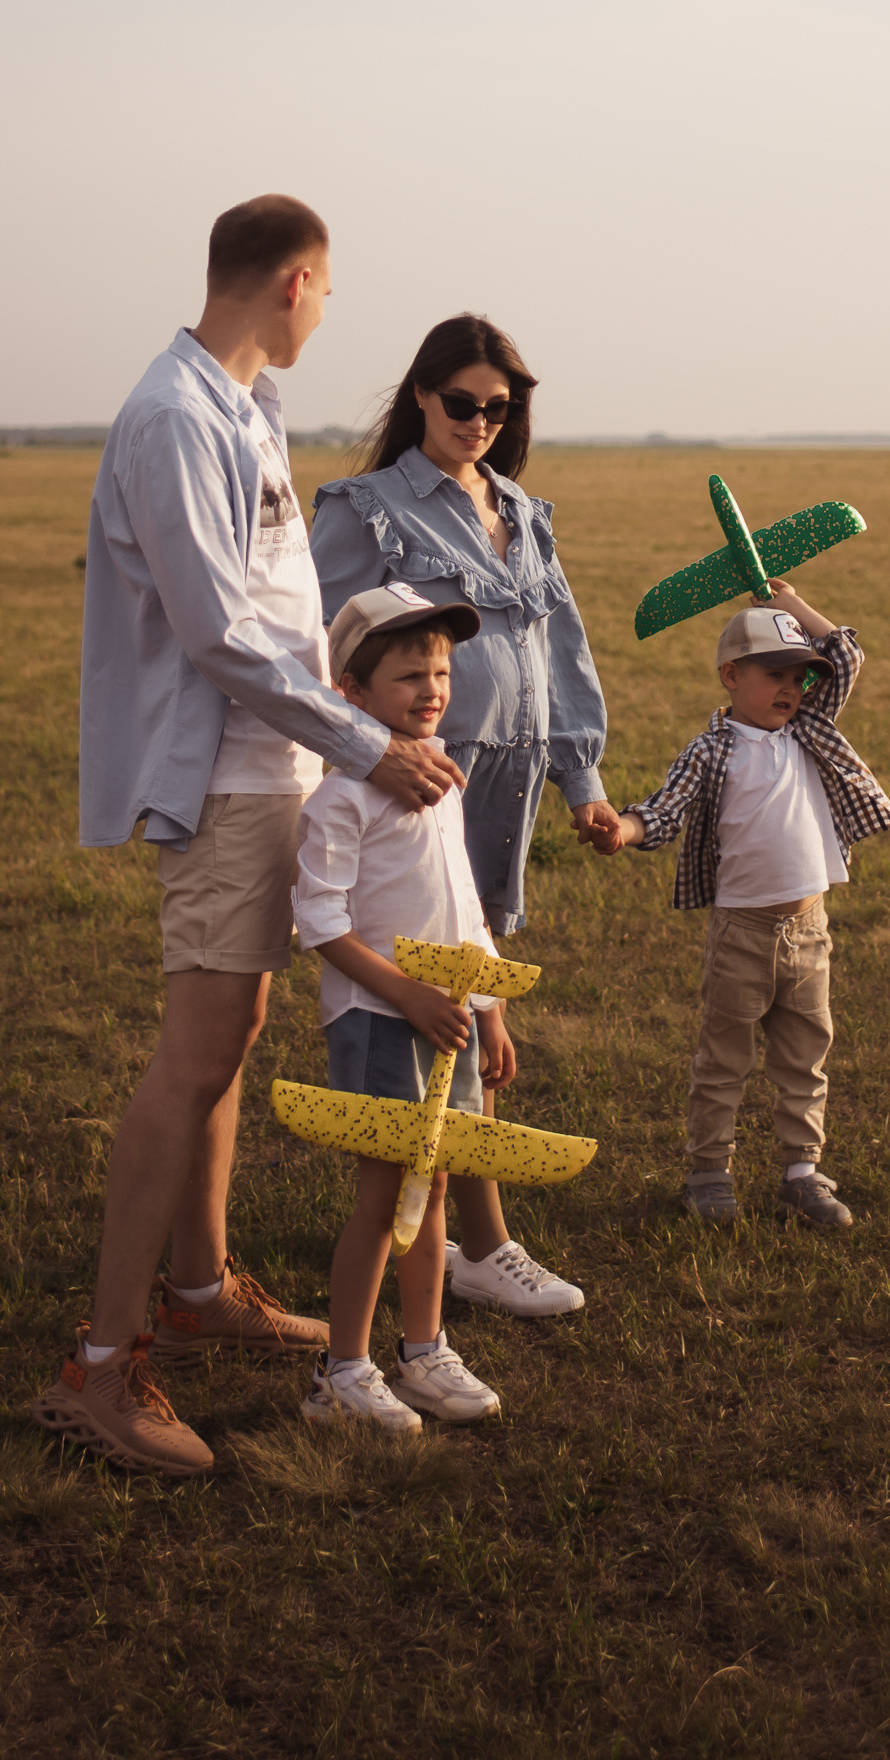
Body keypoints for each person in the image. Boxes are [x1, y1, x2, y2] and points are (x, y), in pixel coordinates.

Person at [32, 196, 467, 1478]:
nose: (329, 313)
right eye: (326, 291)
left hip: (274, 764)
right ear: (291, 280)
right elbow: (220, 633)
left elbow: (272, 621)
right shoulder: (173, 416)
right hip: (223, 776)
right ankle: (100, 1371)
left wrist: (338, 734)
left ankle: (200, 1285)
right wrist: (366, 745)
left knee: (236, 1036)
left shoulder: (244, 409)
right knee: (194, 1052)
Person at [310, 315, 614, 1319]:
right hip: (412, 791)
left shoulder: (522, 513)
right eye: (459, 402)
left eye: (499, 406)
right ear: (420, 398)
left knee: (478, 1007)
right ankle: (477, 1243)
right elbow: (309, 657)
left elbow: (560, 649)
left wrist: (583, 782)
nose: (478, 421)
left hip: (506, 791)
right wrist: (363, 756)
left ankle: (471, 1241)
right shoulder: (365, 510)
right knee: (434, 1002)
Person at [587, 579, 890, 1230]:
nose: (793, 687)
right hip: (743, 932)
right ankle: (709, 1173)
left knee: (805, 1054)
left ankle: (801, 1172)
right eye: (776, 673)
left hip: (809, 929)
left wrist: (787, 602)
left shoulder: (808, 731)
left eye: (800, 677)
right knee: (724, 1060)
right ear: (732, 676)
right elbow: (665, 807)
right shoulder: (713, 750)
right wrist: (623, 829)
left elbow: (845, 656)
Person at [291, 585, 511, 1433]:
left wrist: (486, 1005)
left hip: (447, 1022)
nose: (432, 689)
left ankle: (424, 1352)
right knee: (384, 1196)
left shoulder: (442, 777)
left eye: (442, 671)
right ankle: (341, 1370)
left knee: (439, 1184)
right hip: (381, 1021)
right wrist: (406, 995)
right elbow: (321, 924)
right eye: (408, 675)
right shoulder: (344, 794)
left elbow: (464, 909)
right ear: (350, 692)